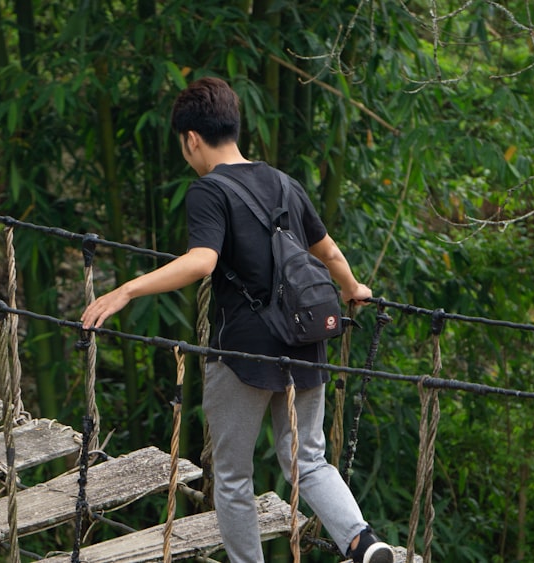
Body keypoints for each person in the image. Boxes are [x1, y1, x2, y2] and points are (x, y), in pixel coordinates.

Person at [80, 76, 394, 563]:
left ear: (191, 139)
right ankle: (361, 541)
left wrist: (126, 289)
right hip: (306, 336)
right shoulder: (283, 182)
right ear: (235, 126)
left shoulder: (209, 191)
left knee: (231, 474)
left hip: (244, 349)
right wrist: (353, 289)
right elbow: (328, 250)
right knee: (307, 459)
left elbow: (202, 262)